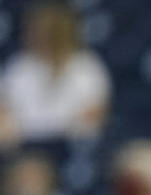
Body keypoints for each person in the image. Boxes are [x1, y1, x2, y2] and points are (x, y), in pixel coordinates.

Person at [0, 0, 111, 146]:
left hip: (70, 147)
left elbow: (94, 116)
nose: (47, 38)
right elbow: (4, 113)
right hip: (25, 148)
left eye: (53, 32)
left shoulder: (86, 66)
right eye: (41, 32)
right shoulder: (19, 67)